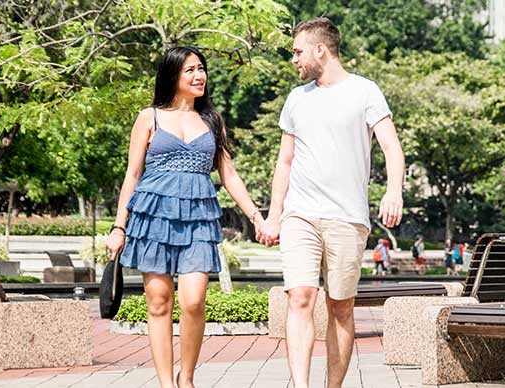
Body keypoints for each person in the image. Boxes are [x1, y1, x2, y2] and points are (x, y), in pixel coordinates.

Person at [255, 17, 405, 388]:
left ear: (320, 49)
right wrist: (274, 216)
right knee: (300, 298)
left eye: (297, 52)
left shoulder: (365, 91)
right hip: (300, 215)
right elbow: (284, 161)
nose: (294, 60)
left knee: (341, 307)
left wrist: (394, 190)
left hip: (347, 217)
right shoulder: (296, 99)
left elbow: (391, 146)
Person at [105, 46, 263, 388]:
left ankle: (186, 377)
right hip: (153, 217)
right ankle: (166, 383)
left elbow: (229, 175)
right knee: (159, 301)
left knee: (193, 301)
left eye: (201, 69)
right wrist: (119, 226)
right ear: (173, 75)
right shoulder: (149, 117)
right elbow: (132, 176)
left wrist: (255, 215)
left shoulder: (211, 120)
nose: (199, 75)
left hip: (197, 217)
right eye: (190, 69)